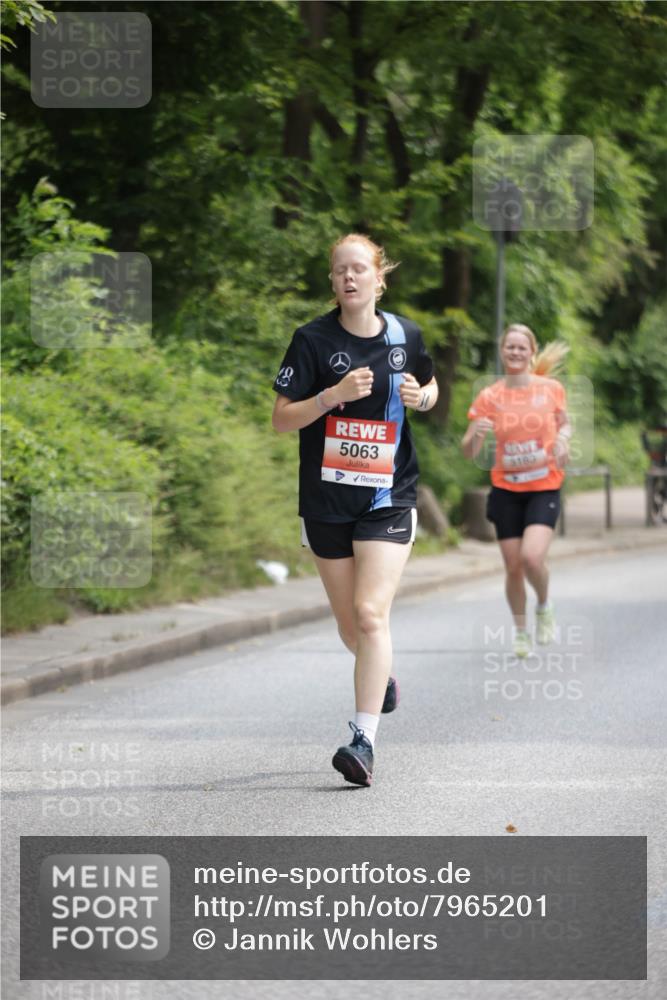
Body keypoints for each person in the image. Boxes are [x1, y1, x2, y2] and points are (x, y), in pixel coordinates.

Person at [272, 234, 438, 786]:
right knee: (351, 627)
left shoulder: (404, 334)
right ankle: (381, 674)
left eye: (359, 269)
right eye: (339, 270)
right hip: (325, 501)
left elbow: (430, 383)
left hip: (389, 495)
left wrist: (425, 398)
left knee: (371, 614)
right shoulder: (312, 341)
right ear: (332, 282)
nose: (349, 278)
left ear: (378, 278)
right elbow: (281, 418)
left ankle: (363, 741)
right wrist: (330, 396)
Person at [461, 324, 571, 658]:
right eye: (510, 347)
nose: (515, 352)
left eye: (522, 347)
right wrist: (477, 434)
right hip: (506, 489)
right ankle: (521, 632)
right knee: (512, 567)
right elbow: (468, 450)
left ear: (531, 352)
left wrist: (563, 438)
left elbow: (564, 422)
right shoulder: (490, 396)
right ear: (501, 350)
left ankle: (544, 604)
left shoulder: (550, 389)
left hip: (544, 486)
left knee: (532, 558)